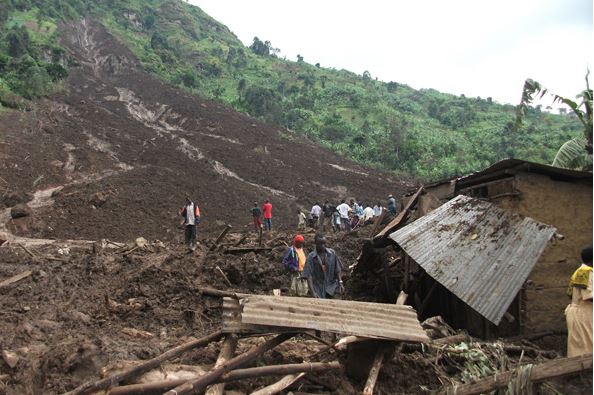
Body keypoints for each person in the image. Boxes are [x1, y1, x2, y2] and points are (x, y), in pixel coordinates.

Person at [565, 245, 593, 357]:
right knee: (587, 347)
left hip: (577, 312)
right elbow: (589, 296)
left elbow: (570, 294)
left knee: (579, 346)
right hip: (583, 313)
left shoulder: (579, 271)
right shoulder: (587, 272)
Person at [302, 233, 344, 299]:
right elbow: (308, 275)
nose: (323, 246)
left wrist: (340, 283)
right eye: (320, 244)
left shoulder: (332, 253)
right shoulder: (311, 257)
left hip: (332, 287)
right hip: (318, 289)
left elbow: (337, 269)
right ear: (315, 243)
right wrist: (313, 293)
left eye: (324, 243)